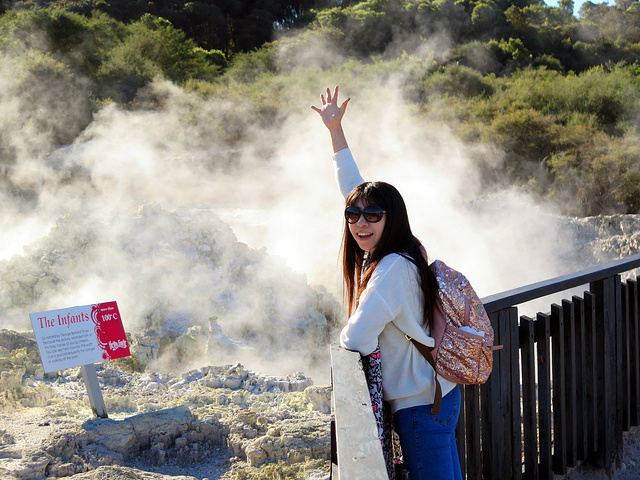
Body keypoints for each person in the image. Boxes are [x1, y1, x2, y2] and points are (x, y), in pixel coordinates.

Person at [311, 86, 463, 480]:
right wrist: (335, 131)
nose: (360, 223)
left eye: (372, 216)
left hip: (419, 405)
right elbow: (355, 187)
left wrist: (349, 328)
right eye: (352, 216)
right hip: (439, 392)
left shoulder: (392, 268)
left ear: (390, 218)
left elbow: (357, 338)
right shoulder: (406, 249)